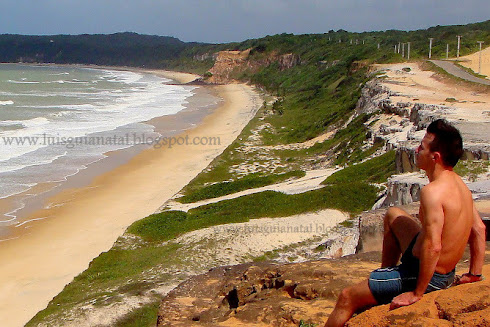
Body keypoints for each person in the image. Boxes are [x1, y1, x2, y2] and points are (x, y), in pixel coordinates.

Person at [326, 119, 486, 327]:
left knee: (347, 297)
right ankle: (384, 281)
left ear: (434, 157)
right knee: (394, 215)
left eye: (422, 147)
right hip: (443, 270)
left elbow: (433, 247)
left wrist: (416, 293)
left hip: (427, 277)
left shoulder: (432, 193)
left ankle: (385, 285)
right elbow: (479, 229)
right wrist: (474, 274)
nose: (416, 149)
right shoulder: (461, 186)